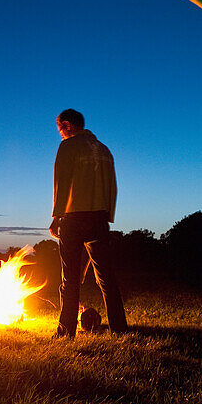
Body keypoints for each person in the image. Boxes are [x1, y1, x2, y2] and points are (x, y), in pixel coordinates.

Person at [49, 109, 127, 338]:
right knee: (106, 277)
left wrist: (56, 216)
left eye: (60, 130)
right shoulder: (104, 150)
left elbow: (61, 183)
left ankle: (65, 333)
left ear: (67, 125)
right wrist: (107, 216)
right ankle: (120, 329)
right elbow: (112, 186)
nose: (61, 135)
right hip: (99, 218)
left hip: (74, 218)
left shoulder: (68, 146)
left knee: (70, 279)